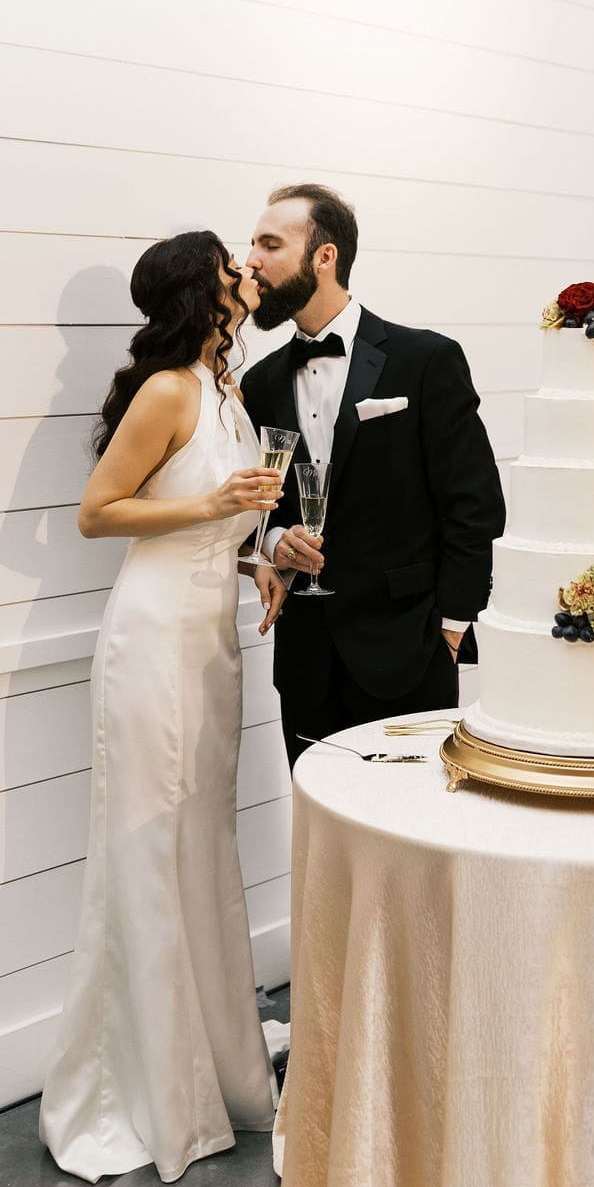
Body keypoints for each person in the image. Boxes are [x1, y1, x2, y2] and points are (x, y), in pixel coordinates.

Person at [39, 231, 286, 1185]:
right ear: (205, 288)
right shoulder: (171, 389)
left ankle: (216, 1064)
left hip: (209, 640)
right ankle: (143, 1088)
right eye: (233, 266)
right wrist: (213, 505)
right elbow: (99, 511)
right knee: (147, 848)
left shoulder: (224, 389)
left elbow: (217, 524)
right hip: (148, 643)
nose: (247, 276)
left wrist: (261, 557)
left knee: (199, 846)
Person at [241, 185, 506, 769]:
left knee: (412, 833)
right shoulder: (257, 384)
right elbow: (263, 506)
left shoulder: (426, 359)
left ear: (324, 257)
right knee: (321, 833)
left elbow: (476, 504)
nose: (250, 260)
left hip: (410, 653)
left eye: (269, 244)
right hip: (307, 662)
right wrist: (273, 541)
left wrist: (454, 626)